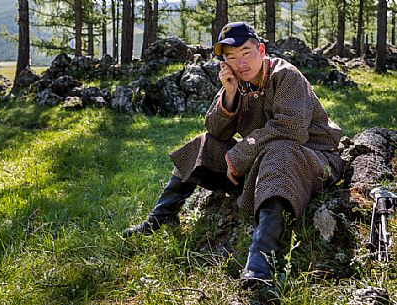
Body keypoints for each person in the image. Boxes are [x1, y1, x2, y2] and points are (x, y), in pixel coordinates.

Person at [123, 21, 344, 287]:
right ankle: (160, 216)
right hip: (265, 162)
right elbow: (215, 130)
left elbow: (292, 129)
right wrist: (228, 95)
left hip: (315, 158)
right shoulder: (237, 83)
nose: (241, 63)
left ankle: (260, 265)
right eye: (231, 57)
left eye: (246, 52)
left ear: (261, 50)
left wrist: (240, 154)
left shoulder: (286, 76)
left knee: (279, 151)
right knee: (204, 144)